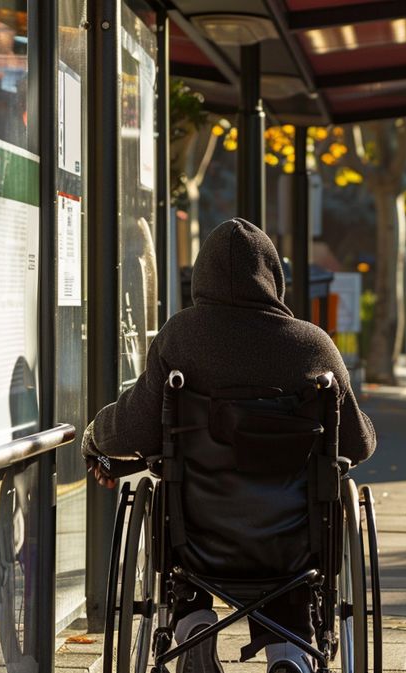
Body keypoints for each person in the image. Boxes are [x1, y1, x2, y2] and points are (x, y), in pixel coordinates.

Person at [82, 218, 376, 673]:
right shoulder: (313, 346)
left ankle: (192, 620)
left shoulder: (180, 337)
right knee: (302, 516)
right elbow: (356, 445)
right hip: (291, 545)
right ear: (274, 278)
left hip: (197, 539)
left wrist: (96, 438)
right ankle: (290, 650)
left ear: (202, 275)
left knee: (176, 504)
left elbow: (136, 429)